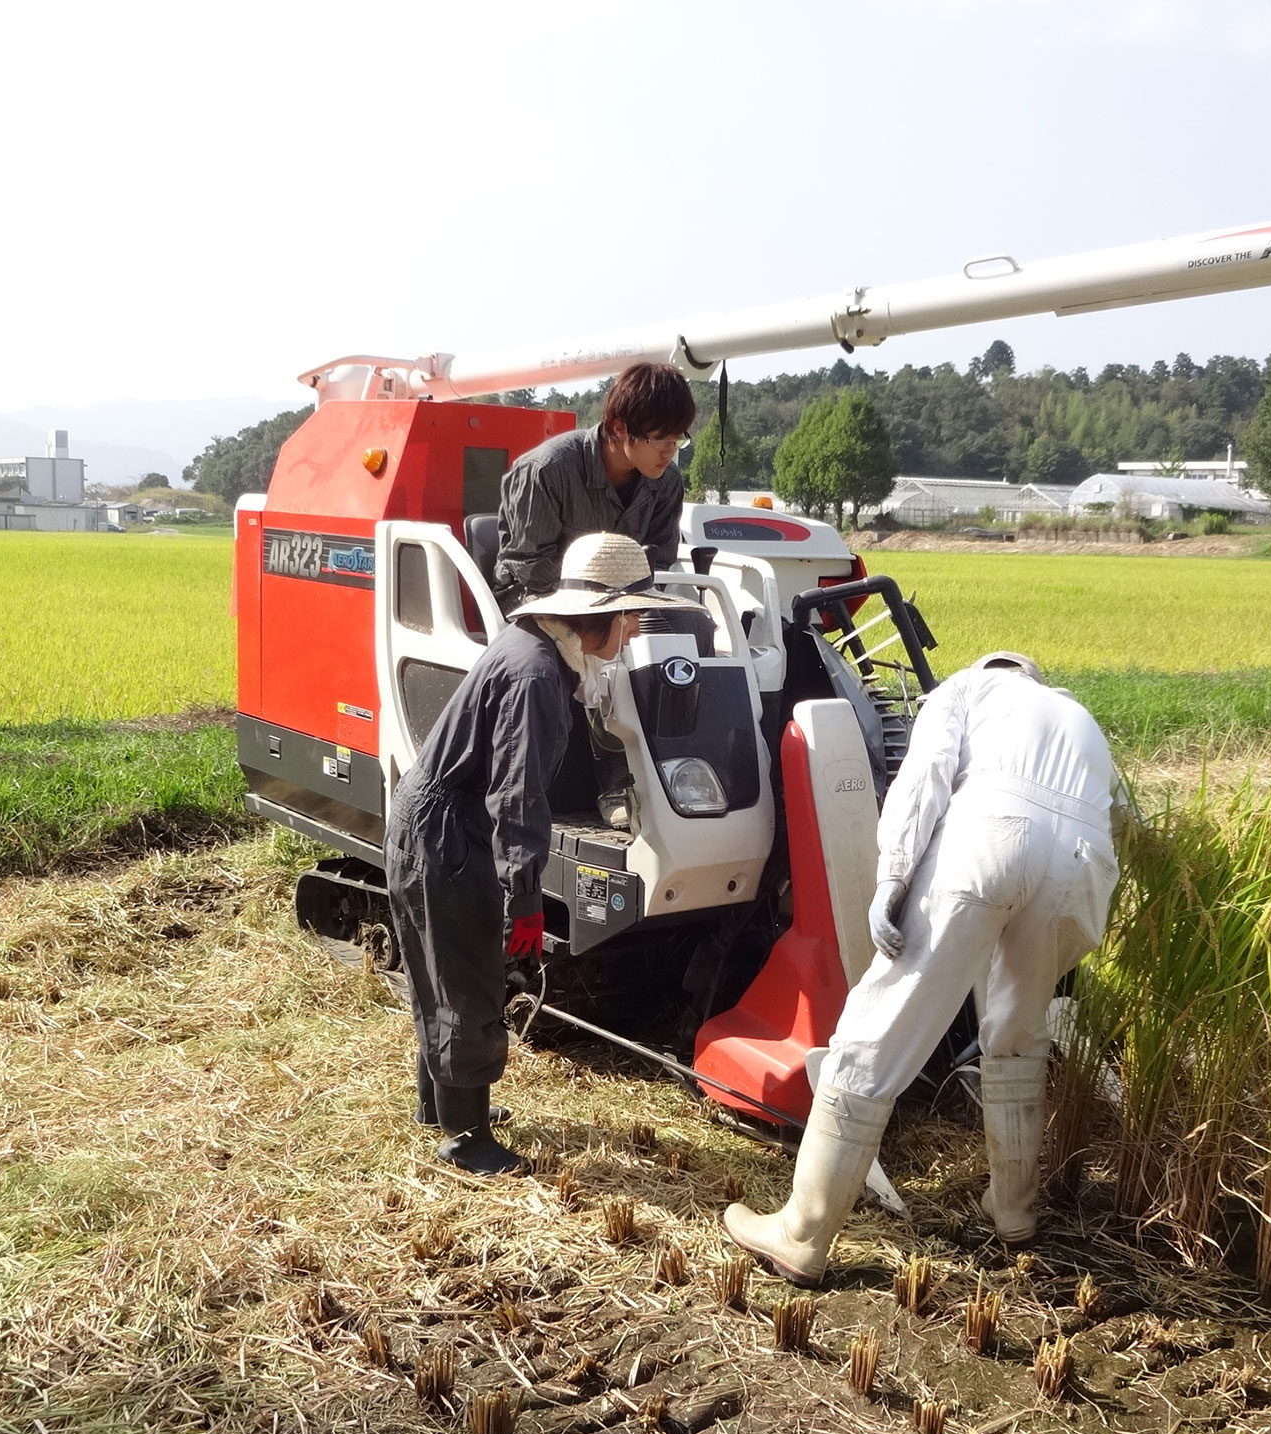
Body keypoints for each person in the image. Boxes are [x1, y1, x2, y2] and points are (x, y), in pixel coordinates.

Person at [722, 652, 1122, 1283]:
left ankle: (801, 1233)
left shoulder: (963, 689)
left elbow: (924, 779)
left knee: (875, 1034)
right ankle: (1014, 1210)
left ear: (989, 666)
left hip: (989, 842)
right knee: (1017, 1032)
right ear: (1034, 677)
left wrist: (893, 875)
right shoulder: (1079, 716)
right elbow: (1123, 818)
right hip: (1082, 868)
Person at [387, 533, 704, 1175]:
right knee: (467, 974)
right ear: (604, 616)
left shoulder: (540, 651)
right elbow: (517, 795)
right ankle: (465, 1138)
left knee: (444, 964)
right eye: (633, 614)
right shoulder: (535, 673)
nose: (637, 625)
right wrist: (525, 897)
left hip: (441, 819)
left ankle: (442, 1103)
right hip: (445, 831)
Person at [493, 363, 696, 604]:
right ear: (619, 427)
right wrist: (601, 600)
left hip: (623, 602)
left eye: (678, 439)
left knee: (697, 626)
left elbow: (658, 559)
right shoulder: (546, 470)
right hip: (537, 597)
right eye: (660, 440)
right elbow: (529, 565)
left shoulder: (667, 482)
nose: (669, 452)